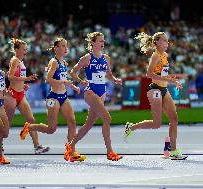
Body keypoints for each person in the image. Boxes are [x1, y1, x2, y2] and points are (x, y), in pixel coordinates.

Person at [124, 32, 187, 160]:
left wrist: (173, 80)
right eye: (164, 40)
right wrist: (170, 81)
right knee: (157, 123)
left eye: (167, 41)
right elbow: (149, 74)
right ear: (157, 42)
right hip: (154, 90)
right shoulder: (156, 56)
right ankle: (131, 127)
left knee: (174, 119)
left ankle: (174, 151)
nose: (167, 43)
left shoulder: (165, 55)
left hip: (164, 89)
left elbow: (163, 75)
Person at [19, 38, 85, 161]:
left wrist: (73, 86)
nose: (66, 48)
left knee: (72, 122)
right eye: (63, 46)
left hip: (64, 97)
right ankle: (29, 127)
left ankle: (71, 152)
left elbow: (64, 80)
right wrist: (64, 81)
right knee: (51, 129)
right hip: (53, 97)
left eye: (67, 46)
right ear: (56, 48)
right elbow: (48, 79)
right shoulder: (53, 62)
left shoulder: (64, 63)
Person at [64, 32, 123, 162]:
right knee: (107, 118)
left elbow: (108, 74)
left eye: (103, 41)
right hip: (91, 91)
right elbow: (72, 72)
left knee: (88, 124)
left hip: (102, 92)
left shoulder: (106, 58)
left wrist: (114, 79)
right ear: (93, 43)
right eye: (100, 41)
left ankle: (70, 146)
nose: (103, 43)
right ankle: (110, 152)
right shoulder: (87, 58)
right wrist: (81, 81)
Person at [4, 38, 49, 154]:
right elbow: (10, 77)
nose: (26, 51)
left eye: (26, 49)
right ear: (16, 50)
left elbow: (16, 78)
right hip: (12, 95)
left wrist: (23, 85)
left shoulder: (21, 61)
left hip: (20, 94)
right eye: (23, 49)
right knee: (6, 126)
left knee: (31, 119)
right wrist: (27, 79)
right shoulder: (14, 60)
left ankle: (37, 146)